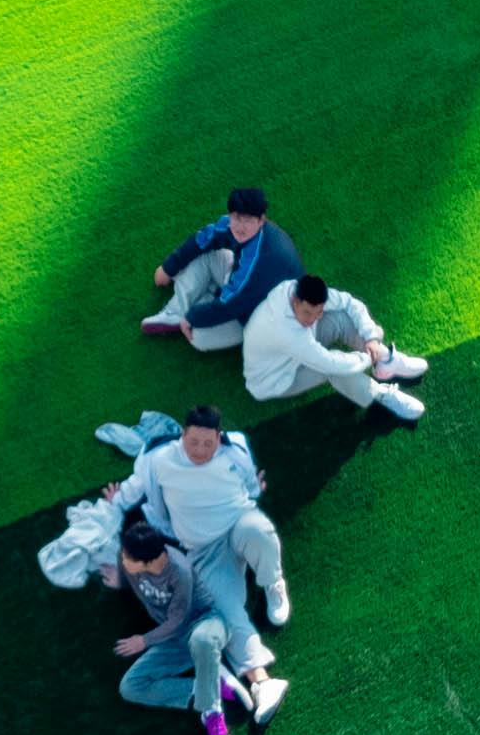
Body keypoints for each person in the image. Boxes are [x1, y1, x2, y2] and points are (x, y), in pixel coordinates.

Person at [109, 518, 280, 735]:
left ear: (146, 561)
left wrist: (144, 640)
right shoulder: (129, 562)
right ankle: (211, 684)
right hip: (174, 640)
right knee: (130, 686)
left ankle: (212, 711)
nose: (123, 559)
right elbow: (170, 626)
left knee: (202, 641)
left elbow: (177, 620)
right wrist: (119, 578)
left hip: (206, 624)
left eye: (128, 558)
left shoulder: (180, 572)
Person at [122, 404, 295, 632]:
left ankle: (273, 582)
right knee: (221, 610)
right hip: (205, 547)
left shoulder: (235, 447)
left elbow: (249, 484)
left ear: (218, 437)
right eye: (194, 442)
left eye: (208, 444)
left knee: (258, 530)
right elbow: (157, 506)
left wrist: (254, 489)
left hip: (237, 525)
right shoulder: (157, 460)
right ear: (183, 435)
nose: (200, 451)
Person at [241, 275, 430, 420]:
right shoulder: (286, 332)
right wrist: (365, 358)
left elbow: (348, 302)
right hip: (276, 378)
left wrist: (371, 338)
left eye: (319, 312)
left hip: (293, 351)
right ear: (294, 302)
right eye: (307, 312)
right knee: (334, 370)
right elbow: (330, 363)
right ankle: (379, 395)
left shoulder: (298, 292)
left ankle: (386, 359)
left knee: (340, 318)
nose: (313, 319)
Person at [143, 186, 306, 349]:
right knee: (206, 255)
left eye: (248, 220)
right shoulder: (234, 226)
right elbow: (204, 239)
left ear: (261, 220)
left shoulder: (261, 260)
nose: (240, 227)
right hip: (242, 286)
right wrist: (168, 268)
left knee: (198, 337)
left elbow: (231, 305)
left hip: (259, 314)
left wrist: (193, 317)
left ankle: (196, 304)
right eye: (236, 217)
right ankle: (177, 312)